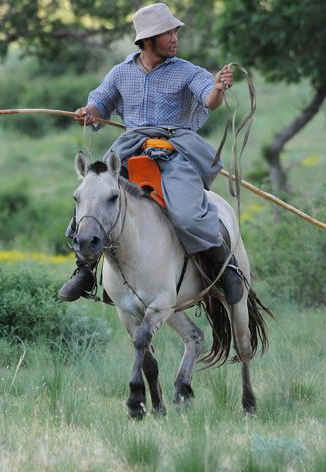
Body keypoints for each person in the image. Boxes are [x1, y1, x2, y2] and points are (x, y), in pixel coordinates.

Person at [58, 2, 245, 304]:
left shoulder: (187, 71)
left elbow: (209, 99)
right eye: (167, 33)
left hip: (174, 152)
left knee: (188, 215)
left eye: (174, 31)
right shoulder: (120, 74)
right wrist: (88, 113)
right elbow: (99, 104)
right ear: (147, 40)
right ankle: (85, 270)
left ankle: (227, 270)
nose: (174, 38)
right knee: (89, 203)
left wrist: (219, 88)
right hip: (129, 152)